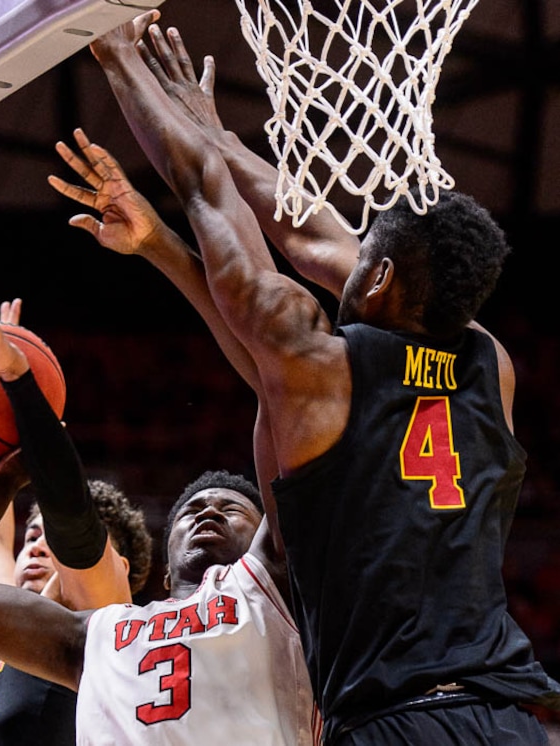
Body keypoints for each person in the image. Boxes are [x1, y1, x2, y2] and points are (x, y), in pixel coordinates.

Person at [56, 11, 560, 744]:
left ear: (380, 276)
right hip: (506, 718)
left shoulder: (320, 365)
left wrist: (117, 55)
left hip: (392, 721)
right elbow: (313, 234)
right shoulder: (490, 362)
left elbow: (209, 193)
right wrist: (219, 136)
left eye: (365, 261)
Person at [0, 282, 322, 744]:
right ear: (164, 571)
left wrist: (25, 395)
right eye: (30, 535)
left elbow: (73, 517)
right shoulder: (97, 635)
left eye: (231, 508)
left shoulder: (271, 591)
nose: (207, 512)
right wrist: (1, 429)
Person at [0, 299, 153, 744]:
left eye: (53, 542)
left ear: (118, 568)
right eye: (32, 536)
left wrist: (25, 392)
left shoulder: (100, 625)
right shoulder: (16, 627)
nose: (36, 547)